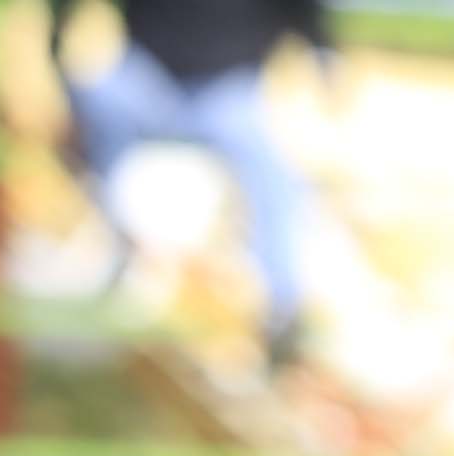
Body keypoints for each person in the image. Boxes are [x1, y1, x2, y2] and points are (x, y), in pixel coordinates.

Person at [49, 0, 333, 374]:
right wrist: (54, 42)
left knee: (274, 175)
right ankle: (119, 253)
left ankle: (285, 304)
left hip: (227, 89)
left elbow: (306, 14)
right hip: (150, 79)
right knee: (99, 100)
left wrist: (324, 59)